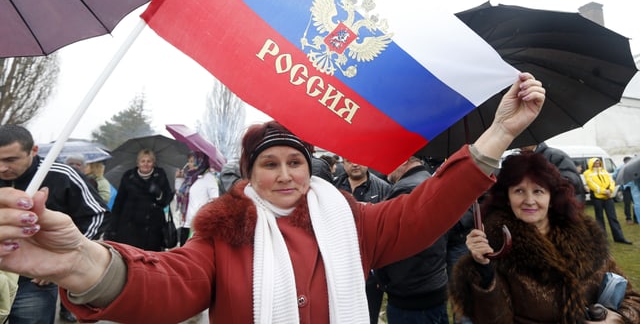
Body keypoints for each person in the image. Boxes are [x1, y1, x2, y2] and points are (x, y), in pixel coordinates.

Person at [0, 73, 545, 323]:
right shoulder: (222, 229)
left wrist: (497, 135)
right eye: (270, 164)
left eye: (295, 163)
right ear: (250, 173)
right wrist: (84, 265)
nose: (285, 175)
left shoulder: (348, 219)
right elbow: (168, 284)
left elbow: (420, 211)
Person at [450, 151, 640, 323]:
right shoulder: (495, 248)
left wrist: (617, 319)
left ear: (551, 197)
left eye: (538, 191)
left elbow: (631, 297)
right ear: (507, 198)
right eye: (519, 191)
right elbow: (494, 319)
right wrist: (484, 271)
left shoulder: (587, 237)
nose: (529, 200)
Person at [0, 124, 109, 324]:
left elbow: (98, 214)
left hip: (34, 278)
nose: (2, 168)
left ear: (33, 151)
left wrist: (70, 255)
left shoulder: (61, 174)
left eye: (10, 160)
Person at [375, 156, 450, 324]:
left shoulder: (406, 190)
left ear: (403, 160)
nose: (385, 170)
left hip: (411, 296)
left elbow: (392, 243)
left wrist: (384, 279)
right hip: (432, 285)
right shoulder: (429, 181)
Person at [333, 158, 391, 324]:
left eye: (359, 160)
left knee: (368, 315)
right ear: (342, 163)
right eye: (349, 160)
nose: (355, 164)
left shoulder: (383, 188)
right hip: (340, 266)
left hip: (370, 268)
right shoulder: (333, 188)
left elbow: (386, 229)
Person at [105, 148, 174, 251]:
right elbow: (119, 202)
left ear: (153, 163)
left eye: (149, 161)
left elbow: (166, 200)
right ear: (138, 163)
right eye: (143, 161)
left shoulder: (160, 175)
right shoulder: (128, 176)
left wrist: (159, 193)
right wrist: (112, 227)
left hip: (153, 227)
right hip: (130, 225)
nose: (145, 164)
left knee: (150, 257)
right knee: (131, 256)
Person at [175, 151, 220, 246]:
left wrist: (202, 214)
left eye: (192, 161)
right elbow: (179, 197)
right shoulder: (189, 178)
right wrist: (179, 179)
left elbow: (215, 200)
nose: (189, 164)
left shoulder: (208, 177)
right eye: (189, 161)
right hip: (185, 224)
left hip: (198, 226)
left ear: (200, 161)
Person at [583, 157, 632, 244]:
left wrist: (610, 190)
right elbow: (591, 184)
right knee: (599, 218)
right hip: (597, 198)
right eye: (595, 163)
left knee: (613, 217)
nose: (597, 164)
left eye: (598, 162)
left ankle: (619, 237)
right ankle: (602, 239)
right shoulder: (587, 173)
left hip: (608, 197)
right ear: (591, 164)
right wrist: (604, 191)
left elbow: (611, 181)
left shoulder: (604, 171)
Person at [521, 142, 586, 203]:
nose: (521, 146)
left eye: (525, 140)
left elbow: (571, 181)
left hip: (563, 204)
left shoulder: (555, 155)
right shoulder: (522, 160)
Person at [613, 156, 637, 225]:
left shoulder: (634, 166)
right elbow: (614, 176)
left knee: (636, 203)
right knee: (627, 204)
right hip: (626, 188)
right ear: (625, 162)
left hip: (634, 187)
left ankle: (636, 218)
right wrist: (621, 183)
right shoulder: (621, 167)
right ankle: (628, 218)